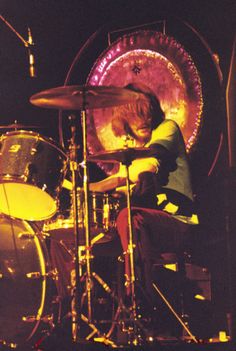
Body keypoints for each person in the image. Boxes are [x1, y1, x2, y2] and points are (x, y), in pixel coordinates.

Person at [89, 83, 199, 306]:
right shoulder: (130, 149)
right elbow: (122, 185)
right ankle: (77, 311)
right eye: (136, 114)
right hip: (148, 224)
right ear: (124, 118)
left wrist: (100, 186)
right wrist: (85, 189)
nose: (145, 119)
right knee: (77, 240)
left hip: (178, 220)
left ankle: (140, 303)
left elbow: (146, 167)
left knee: (130, 218)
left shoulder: (166, 129)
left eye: (147, 112)